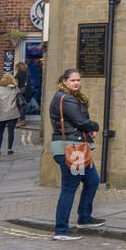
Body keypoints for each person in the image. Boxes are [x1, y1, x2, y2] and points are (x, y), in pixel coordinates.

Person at [49, 69, 103, 240]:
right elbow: (81, 121)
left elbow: (77, 123)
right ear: (64, 81)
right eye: (73, 80)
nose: (76, 83)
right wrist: (95, 126)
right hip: (72, 150)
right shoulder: (66, 99)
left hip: (78, 148)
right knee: (70, 187)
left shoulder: (68, 97)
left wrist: (88, 131)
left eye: (78, 80)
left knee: (92, 180)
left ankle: (85, 217)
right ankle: (61, 229)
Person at [0, 72, 22, 155]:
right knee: (11, 131)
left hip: (1, 111)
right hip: (13, 111)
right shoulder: (15, 88)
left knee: (0, 131)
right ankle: (10, 149)